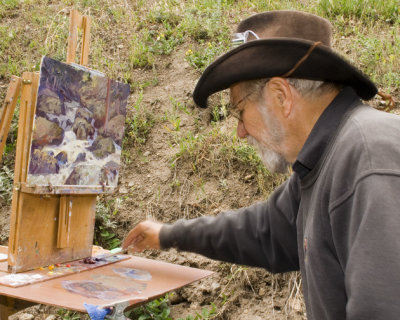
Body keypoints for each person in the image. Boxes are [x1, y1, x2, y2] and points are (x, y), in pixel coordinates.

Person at [123, 10, 400, 319]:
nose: (240, 131)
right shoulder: (323, 164)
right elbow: (259, 231)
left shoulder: (369, 159)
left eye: (239, 110)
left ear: (281, 96)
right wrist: (166, 234)